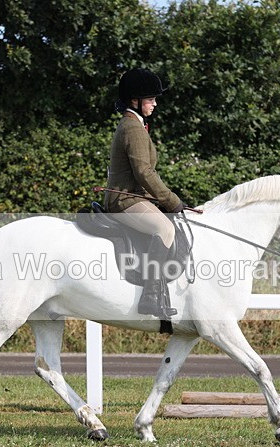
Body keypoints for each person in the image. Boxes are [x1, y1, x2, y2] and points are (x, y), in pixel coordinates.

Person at [104, 68, 185, 319]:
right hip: (124, 199)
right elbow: (144, 172)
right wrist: (172, 201)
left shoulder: (136, 124)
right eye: (151, 99)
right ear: (134, 101)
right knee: (165, 229)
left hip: (133, 196)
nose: (155, 103)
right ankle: (150, 296)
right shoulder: (132, 127)